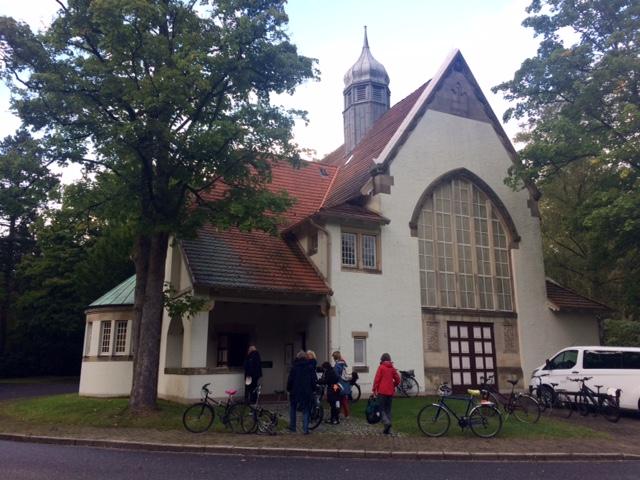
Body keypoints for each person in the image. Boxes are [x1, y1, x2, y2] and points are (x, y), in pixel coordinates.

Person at [287, 350, 317, 434]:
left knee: (293, 408)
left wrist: (288, 389)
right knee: (306, 410)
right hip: (306, 391)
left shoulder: (294, 367)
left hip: (295, 391)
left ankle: (293, 427)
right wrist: (314, 389)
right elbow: (313, 380)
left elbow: (290, 380)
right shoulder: (309, 367)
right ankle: (305, 429)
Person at [372, 352, 400, 435]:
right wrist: (393, 385)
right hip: (390, 392)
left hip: (382, 392)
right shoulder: (392, 368)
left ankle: (386, 423)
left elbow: (377, 380)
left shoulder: (381, 367)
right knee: (388, 410)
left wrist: (374, 389)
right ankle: (387, 429)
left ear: (382, 359)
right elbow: (398, 379)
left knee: (381, 409)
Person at [332, 351, 351, 418]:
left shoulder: (337, 365)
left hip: (338, 384)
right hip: (345, 384)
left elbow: (336, 376)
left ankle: (337, 414)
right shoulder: (344, 364)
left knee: (337, 399)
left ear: (335, 358)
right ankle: (347, 414)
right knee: (344, 400)